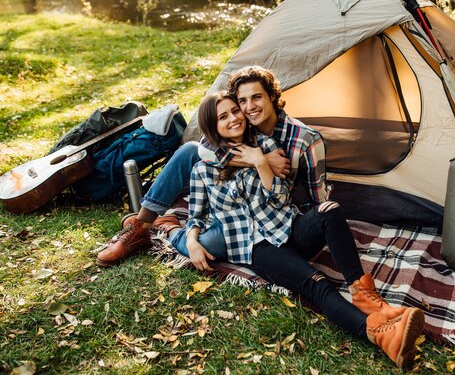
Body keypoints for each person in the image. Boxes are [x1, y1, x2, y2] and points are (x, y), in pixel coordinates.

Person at [176, 91, 425, 369]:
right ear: (212, 125)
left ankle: (366, 297)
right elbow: (195, 215)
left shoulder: (265, 146)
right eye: (224, 116)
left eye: (235, 110)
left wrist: (260, 162)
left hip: (288, 227)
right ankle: (378, 334)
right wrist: (192, 241)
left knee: (329, 211)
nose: (235, 118)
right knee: (317, 284)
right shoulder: (202, 169)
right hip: (256, 248)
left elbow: (281, 198)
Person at [96, 66, 320, 267]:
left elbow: (318, 200)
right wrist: (259, 159)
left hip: (270, 211)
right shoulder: (241, 123)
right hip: (231, 203)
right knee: (189, 150)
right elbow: (203, 148)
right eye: (242, 101)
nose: (249, 107)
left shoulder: (303, 139)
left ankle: (170, 228)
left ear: (272, 96)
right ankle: (140, 225)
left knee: (215, 243)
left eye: (257, 97)